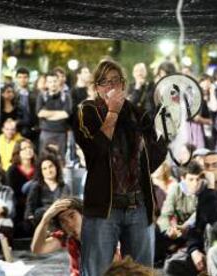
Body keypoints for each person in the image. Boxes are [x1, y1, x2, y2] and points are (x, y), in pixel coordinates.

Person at [74, 60, 167, 276]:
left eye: (116, 81)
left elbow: (151, 160)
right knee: (97, 271)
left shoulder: (138, 113)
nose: (111, 87)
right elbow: (94, 151)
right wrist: (112, 114)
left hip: (138, 206)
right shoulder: (86, 111)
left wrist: (167, 135)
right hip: (103, 208)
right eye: (105, 82)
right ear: (96, 87)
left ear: (124, 84)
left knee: (141, 272)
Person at [164, 151, 217, 276]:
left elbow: (214, 219)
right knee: (172, 265)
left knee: (213, 227)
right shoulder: (205, 192)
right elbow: (198, 226)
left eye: (215, 165)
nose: (210, 170)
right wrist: (194, 250)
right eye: (207, 166)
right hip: (208, 245)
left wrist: (210, 187)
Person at [31, 198, 82, 276]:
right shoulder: (67, 236)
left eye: (72, 216)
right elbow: (38, 249)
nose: (69, 224)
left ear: (82, 214)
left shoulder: (99, 233)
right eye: (63, 221)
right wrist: (45, 219)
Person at [25, 154, 71, 225]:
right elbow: (30, 208)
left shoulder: (64, 186)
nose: (48, 170)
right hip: (41, 221)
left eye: (51, 166)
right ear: (41, 171)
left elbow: (64, 205)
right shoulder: (36, 186)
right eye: (44, 168)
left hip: (60, 220)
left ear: (56, 167)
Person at [36, 72, 72, 155]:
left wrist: (48, 115)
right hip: (46, 131)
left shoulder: (66, 96)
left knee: (61, 160)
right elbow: (40, 113)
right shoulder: (42, 96)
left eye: (55, 81)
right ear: (46, 83)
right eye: (50, 82)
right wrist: (59, 114)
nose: (53, 84)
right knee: (44, 158)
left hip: (61, 133)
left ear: (59, 82)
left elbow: (66, 114)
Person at [6, 138, 36, 237]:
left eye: (30, 147)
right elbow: (12, 193)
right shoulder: (12, 170)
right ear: (18, 152)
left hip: (37, 207)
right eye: (24, 148)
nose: (28, 150)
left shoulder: (40, 167)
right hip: (19, 209)